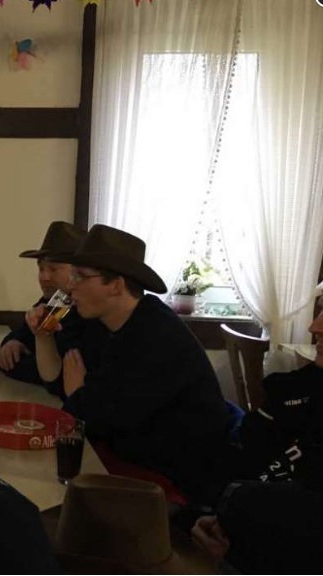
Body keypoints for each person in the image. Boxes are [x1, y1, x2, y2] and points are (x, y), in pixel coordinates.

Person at [27, 224, 233, 504]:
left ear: (116, 285)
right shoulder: (119, 324)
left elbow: (92, 421)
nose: (71, 285)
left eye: (80, 276)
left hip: (178, 484)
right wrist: (77, 392)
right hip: (142, 460)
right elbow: (76, 396)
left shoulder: (154, 335)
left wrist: (78, 393)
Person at [191, 301, 323, 573]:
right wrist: (214, 511)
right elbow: (251, 447)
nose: (314, 327)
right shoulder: (298, 387)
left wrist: (232, 508)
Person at [0, 221, 85, 395]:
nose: (44, 277)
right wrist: (13, 343)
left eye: (54, 269)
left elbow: (47, 373)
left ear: (77, 271)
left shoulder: (86, 311)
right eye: (41, 268)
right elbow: (23, 332)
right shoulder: (58, 302)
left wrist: (0, 359)